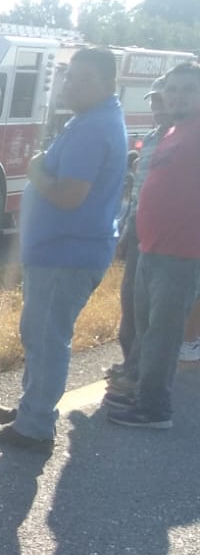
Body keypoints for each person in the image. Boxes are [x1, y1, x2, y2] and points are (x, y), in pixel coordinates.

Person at [0, 47, 127, 452]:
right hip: (63, 252)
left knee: (47, 338)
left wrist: (35, 172)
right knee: (41, 335)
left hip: (67, 253)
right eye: (69, 76)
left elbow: (68, 196)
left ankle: (35, 426)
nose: (70, 85)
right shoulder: (91, 120)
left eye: (83, 79)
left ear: (107, 84)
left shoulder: (93, 127)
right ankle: (33, 409)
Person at [104, 61, 200, 429]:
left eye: (188, 90)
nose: (177, 96)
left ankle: (154, 409)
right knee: (145, 328)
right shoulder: (174, 131)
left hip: (181, 251)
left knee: (163, 333)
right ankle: (142, 391)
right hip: (151, 247)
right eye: (172, 89)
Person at [106, 79, 172, 386]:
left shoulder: (180, 141)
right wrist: (126, 230)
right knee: (130, 297)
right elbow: (139, 193)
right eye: (153, 102)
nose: (156, 109)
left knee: (152, 308)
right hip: (138, 229)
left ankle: (140, 373)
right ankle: (129, 361)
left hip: (164, 235)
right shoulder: (149, 137)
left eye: (162, 102)